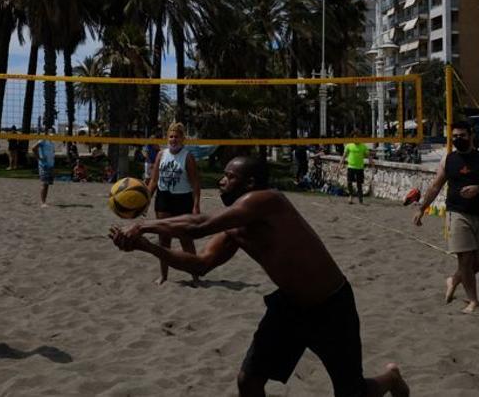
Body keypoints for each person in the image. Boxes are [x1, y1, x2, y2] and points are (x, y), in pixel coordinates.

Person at [110, 156, 410, 397]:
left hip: (331, 307)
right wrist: (148, 248)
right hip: (290, 308)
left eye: (230, 176)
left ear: (250, 183)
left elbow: (199, 226)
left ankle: (391, 378)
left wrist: (144, 226)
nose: (222, 180)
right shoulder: (236, 227)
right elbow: (200, 264)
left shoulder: (267, 200)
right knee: (248, 382)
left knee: (352, 392)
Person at [413, 120, 479, 314]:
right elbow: (435, 186)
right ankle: (473, 301)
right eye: (454, 137)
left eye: (461, 136)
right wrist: (422, 208)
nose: (457, 140)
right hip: (456, 213)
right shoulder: (448, 160)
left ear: (471, 135)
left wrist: (478, 188)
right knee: (466, 260)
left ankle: (453, 279)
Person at [145, 122, 202, 285]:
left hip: (183, 200)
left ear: (182, 139)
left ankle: (195, 275)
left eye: (177, 136)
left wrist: (196, 205)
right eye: (171, 136)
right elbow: (154, 180)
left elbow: (195, 183)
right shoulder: (161, 155)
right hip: (164, 198)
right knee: (164, 240)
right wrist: (147, 200)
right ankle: (163, 275)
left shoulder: (187, 156)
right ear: (167, 138)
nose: (173, 139)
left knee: (186, 240)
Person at [32, 129, 56, 207]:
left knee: (47, 184)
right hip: (44, 165)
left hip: (50, 165)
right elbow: (33, 148)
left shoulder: (52, 142)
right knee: (44, 184)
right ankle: (43, 203)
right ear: (47, 133)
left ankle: (44, 201)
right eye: (51, 132)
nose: (52, 134)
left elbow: (52, 153)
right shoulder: (43, 140)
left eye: (53, 133)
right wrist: (39, 158)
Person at [343, 136, 370, 205]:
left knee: (359, 184)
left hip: (359, 168)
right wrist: (340, 163)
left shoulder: (363, 146)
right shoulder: (349, 145)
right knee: (349, 182)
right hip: (351, 167)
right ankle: (351, 196)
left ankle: (361, 199)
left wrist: (372, 164)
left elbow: (369, 156)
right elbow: (344, 155)